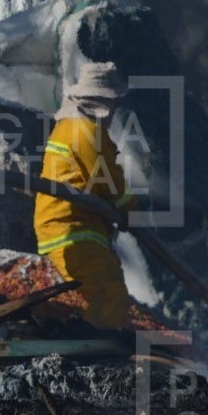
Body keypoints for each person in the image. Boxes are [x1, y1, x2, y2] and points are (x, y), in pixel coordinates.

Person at [34, 61, 137, 330]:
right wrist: (131, 210)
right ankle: (102, 350)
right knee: (107, 294)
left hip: (71, 226)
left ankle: (91, 338)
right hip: (73, 228)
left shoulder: (69, 126)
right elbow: (107, 181)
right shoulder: (87, 132)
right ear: (104, 102)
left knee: (104, 285)